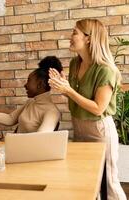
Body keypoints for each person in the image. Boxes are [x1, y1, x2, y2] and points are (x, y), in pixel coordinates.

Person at [48, 19, 126, 200]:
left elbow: (98, 108)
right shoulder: (75, 63)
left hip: (99, 131)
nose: (70, 37)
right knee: (89, 183)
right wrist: (63, 87)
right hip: (79, 128)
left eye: (74, 33)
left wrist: (68, 90)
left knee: (109, 183)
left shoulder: (105, 70)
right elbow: (78, 97)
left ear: (88, 38)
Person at [0, 56, 62, 133]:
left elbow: (40, 138)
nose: (25, 85)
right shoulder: (30, 102)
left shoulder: (52, 111)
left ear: (40, 84)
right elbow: (10, 119)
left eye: (29, 81)